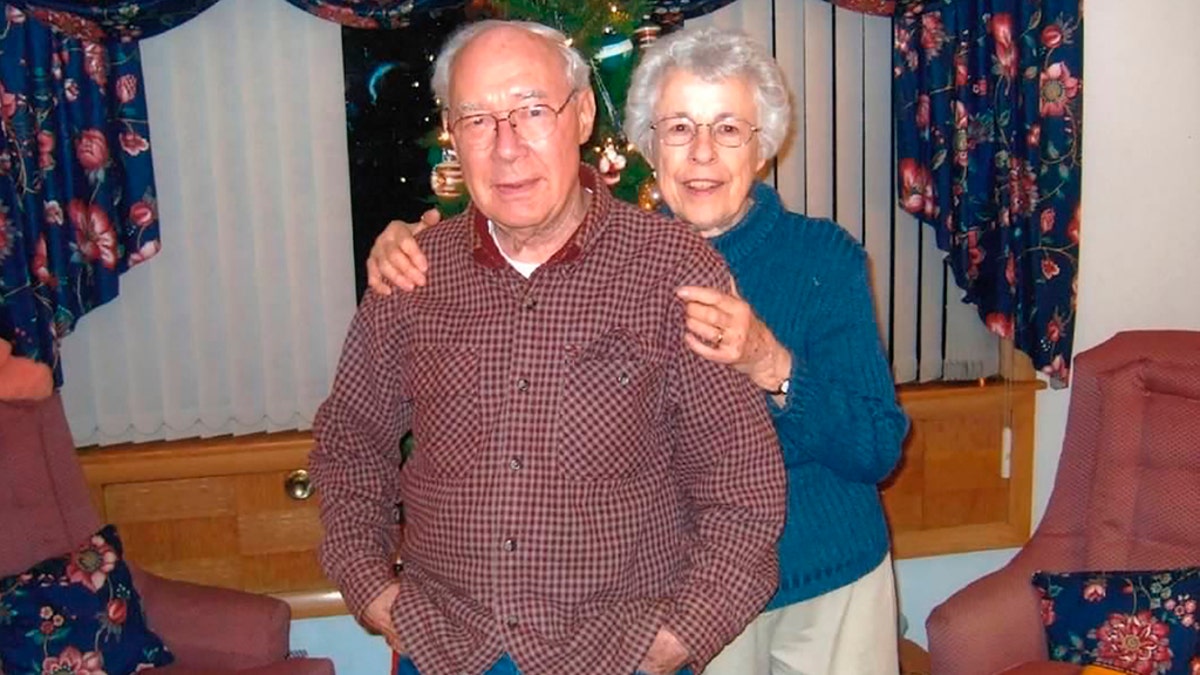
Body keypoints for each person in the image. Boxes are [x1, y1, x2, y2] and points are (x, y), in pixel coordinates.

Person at [365, 25, 912, 675]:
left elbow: (877, 447)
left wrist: (769, 361)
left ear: (763, 146)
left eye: (729, 129)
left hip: (825, 578)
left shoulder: (823, 259)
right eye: (679, 128)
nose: (702, 152)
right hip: (693, 583)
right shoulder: (617, 255)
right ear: (649, 145)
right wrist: (405, 239)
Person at [310, 20, 787, 675]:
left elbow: (743, 485)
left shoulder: (674, 270)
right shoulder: (411, 274)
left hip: (619, 653)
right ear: (452, 132)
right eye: (477, 119)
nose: (507, 148)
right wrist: (371, 591)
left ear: (583, 114)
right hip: (444, 648)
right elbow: (349, 443)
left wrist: (678, 637)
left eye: (532, 111)